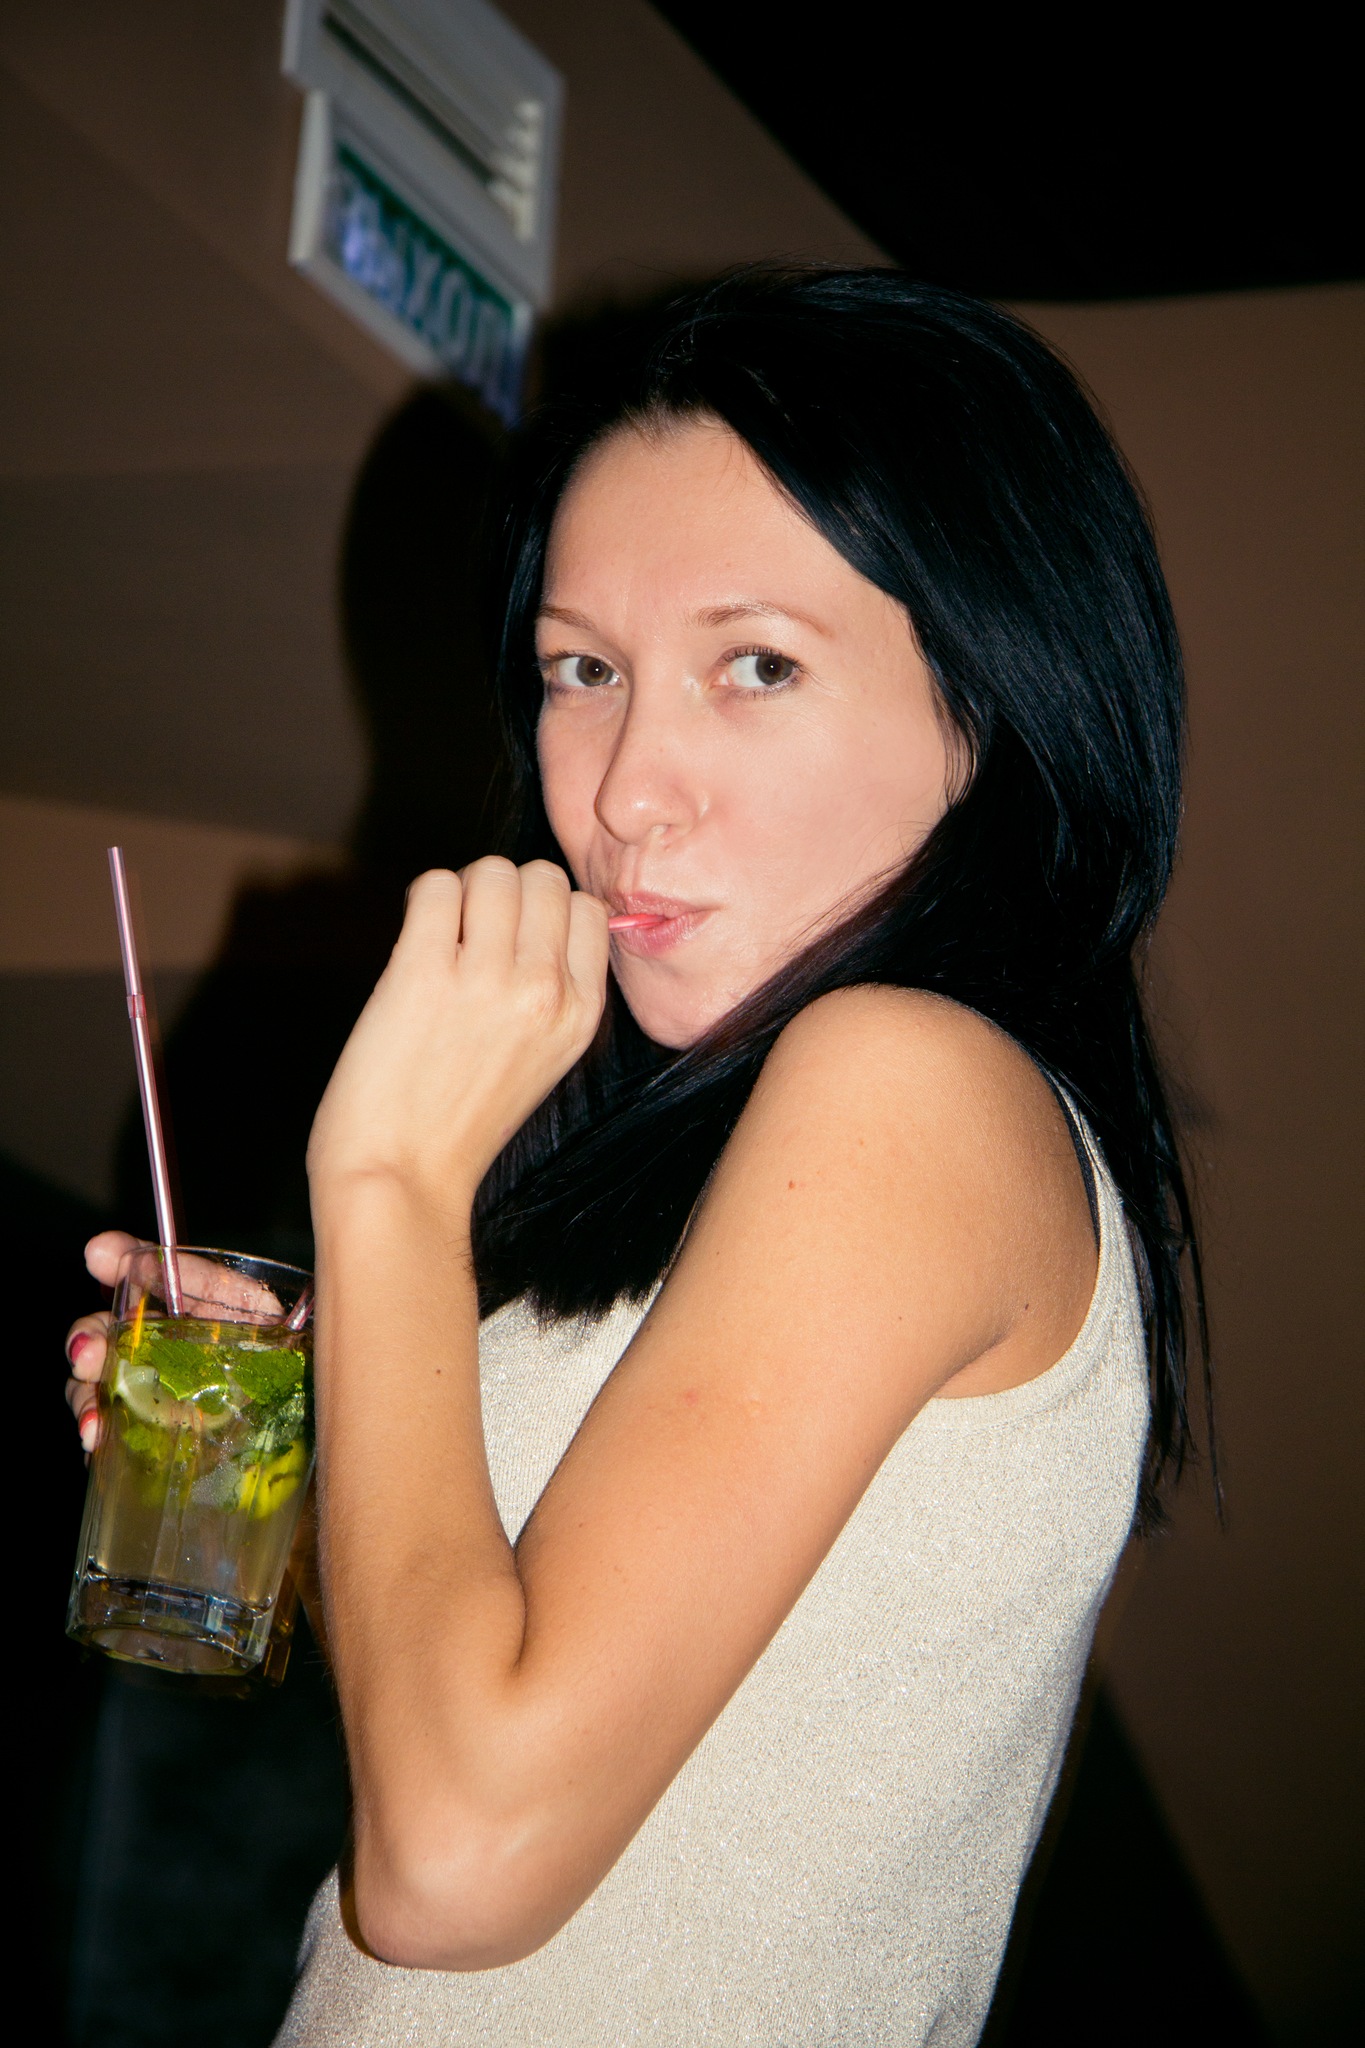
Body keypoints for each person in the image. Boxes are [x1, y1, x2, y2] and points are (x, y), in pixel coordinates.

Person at [65, 268, 1206, 2047]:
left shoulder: (912, 1079)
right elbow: (526, 1721)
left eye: (756, 666)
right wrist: (306, 1438)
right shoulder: (757, 1139)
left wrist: (388, 1184)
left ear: (993, 705)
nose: (620, 790)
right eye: (582, 669)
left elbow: (456, 1865)